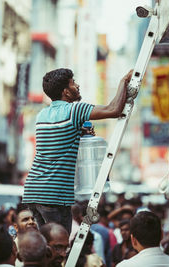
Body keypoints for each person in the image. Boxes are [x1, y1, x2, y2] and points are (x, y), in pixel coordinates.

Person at [23, 68, 133, 233]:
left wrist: (79, 132)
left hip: (33, 191)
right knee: (59, 245)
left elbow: (58, 140)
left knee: (45, 246)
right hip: (54, 195)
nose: (78, 86)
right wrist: (123, 81)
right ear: (66, 92)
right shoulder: (75, 110)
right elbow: (113, 110)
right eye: (73, 83)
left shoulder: (42, 115)